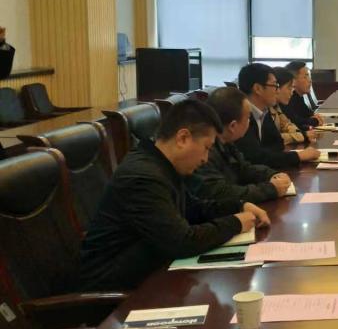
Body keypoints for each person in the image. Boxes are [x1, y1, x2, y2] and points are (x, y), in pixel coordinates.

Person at [78, 100, 270, 291]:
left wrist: (239, 206)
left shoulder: (161, 164)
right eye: (206, 147)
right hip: (115, 291)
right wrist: (235, 223)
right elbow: (182, 241)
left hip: (150, 274)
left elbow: (193, 209)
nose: (205, 159)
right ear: (183, 138)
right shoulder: (143, 177)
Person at [190, 86, 293, 205]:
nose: (250, 121)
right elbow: (221, 194)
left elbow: (244, 169)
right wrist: (270, 189)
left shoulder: (226, 142)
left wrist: (272, 175)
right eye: (248, 117)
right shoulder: (204, 152)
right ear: (233, 126)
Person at [234, 63, 319, 170]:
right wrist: (298, 156)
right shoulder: (241, 116)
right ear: (258, 88)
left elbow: (277, 144)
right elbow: (255, 157)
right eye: (275, 85)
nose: (277, 91)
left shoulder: (264, 112)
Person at [271, 67, 317, 144]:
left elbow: (288, 125)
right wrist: (303, 135)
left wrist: (301, 134)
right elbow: (272, 139)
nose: (292, 92)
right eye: (289, 88)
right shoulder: (267, 109)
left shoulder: (276, 107)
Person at [285, 60, 324, 128]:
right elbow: (295, 121)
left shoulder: (298, 96)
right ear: (293, 81)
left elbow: (308, 114)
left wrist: (315, 117)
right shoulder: (289, 98)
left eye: (309, 77)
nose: (310, 80)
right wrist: (315, 120)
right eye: (305, 77)